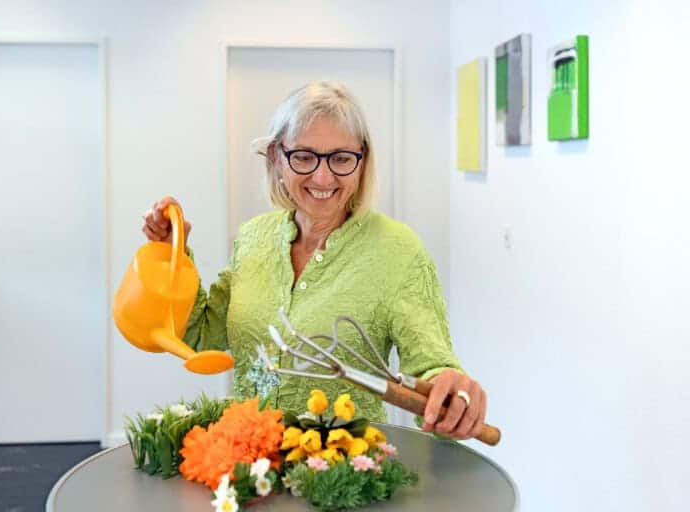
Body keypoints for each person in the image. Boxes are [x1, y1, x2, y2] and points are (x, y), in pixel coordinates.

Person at [141, 81, 487, 440]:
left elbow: (431, 368)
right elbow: (201, 335)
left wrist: (451, 391)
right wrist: (172, 258)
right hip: (249, 463)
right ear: (276, 157)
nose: (323, 177)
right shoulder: (253, 238)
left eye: (340, 158)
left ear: (362, 161)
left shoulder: (398, 251)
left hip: (342, 474)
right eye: (304, 157)